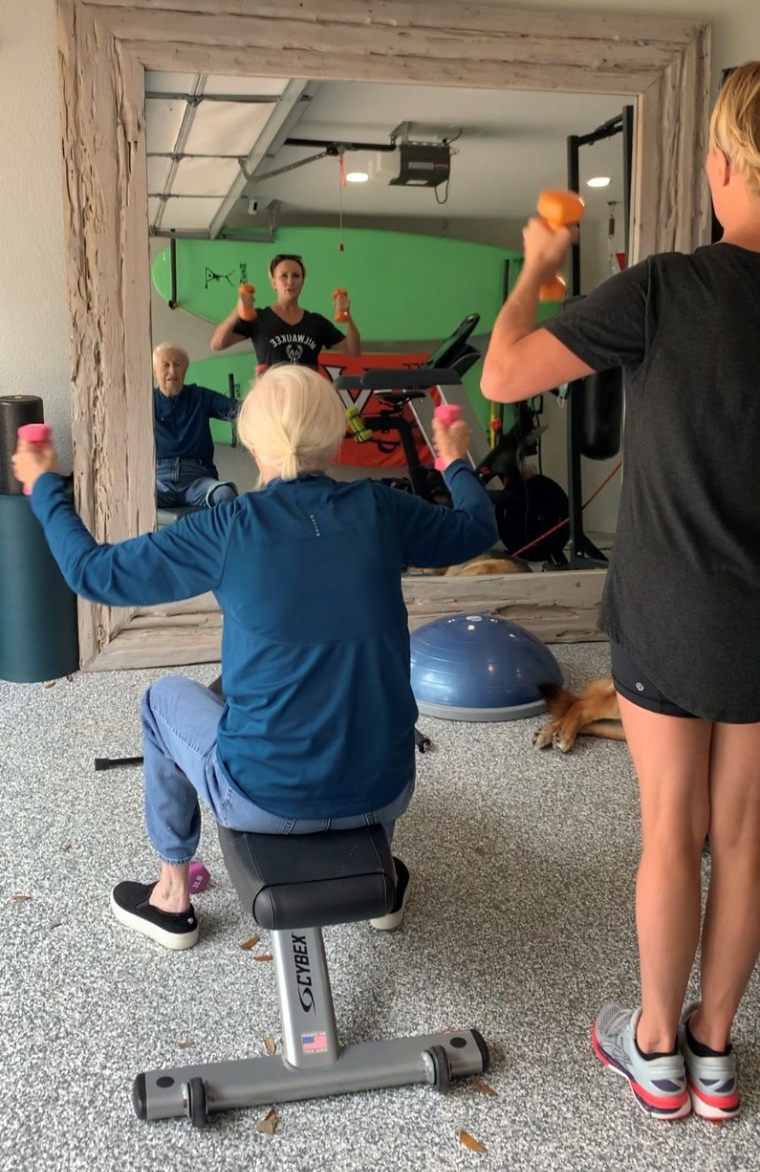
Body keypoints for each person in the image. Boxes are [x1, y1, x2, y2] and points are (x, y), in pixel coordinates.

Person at [480, 61, 760, 1123]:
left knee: (669, 826)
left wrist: (538, 262)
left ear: (720, 166)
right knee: (740, 834)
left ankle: (653, 1048)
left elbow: (501, 372)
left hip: (669, 614)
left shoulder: (667, 286)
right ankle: (715, 1052)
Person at [14, 364, 497, 952]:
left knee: (161, 701)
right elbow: (476, 526)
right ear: (338, 438)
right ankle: (384, 882)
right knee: (290, 687)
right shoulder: (379, 508)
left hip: (263, 798)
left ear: (249, 442)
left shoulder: (228, 526)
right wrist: (453, 458)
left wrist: (42, 485)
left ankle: (171, 894)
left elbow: (92, 573)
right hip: (387, 790)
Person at [210, 253, 361, 368]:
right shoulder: (258, 318)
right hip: (272, 402)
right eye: (284, 276)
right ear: (274, 282)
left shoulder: (316, 322)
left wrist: (348, 317)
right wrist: (238, 310)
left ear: (302, 281)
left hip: (307, 399)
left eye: (296, 276)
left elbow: (354, 352)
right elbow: (217, 344)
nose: (290, 282)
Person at [153, 343, 239, 511]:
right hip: (159, 480)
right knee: (129, 499)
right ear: (155, 371)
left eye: (177, 365)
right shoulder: (146, 401)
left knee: (226, 496)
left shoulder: (199, 396)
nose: (172, 371)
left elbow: (237, 410)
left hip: (197, 479)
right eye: (165, 365)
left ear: (185, 369)